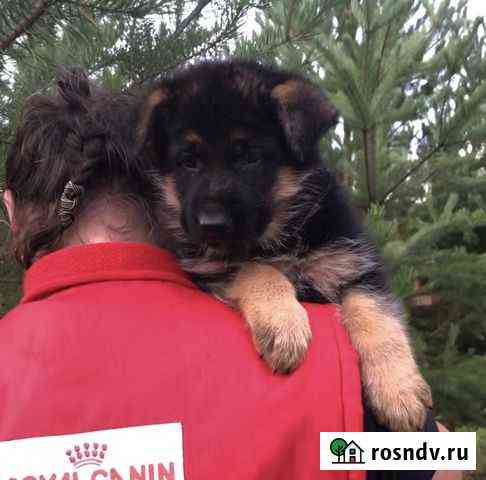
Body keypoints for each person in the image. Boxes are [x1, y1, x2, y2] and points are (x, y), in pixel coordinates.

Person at [0, 68, 455, 480]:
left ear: (10, 211)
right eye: (192, 163)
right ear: (153, 185)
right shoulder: (327, 357)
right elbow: (442, 466)